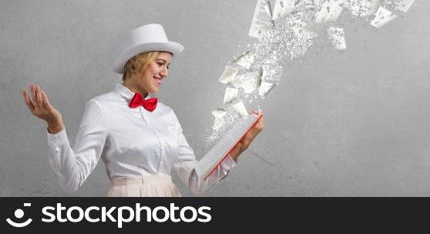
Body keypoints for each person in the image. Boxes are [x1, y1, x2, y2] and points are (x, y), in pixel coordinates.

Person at [22, 23, 264, 196]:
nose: (165, 73)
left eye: (168, 66)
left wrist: (237, 149)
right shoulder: (102, 107)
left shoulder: (167, 115)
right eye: (160, 63)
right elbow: (71, 181)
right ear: (136, 62)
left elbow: (195, 182)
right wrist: (55, 127)